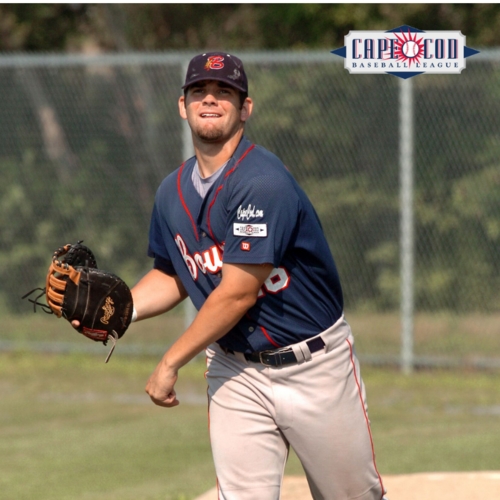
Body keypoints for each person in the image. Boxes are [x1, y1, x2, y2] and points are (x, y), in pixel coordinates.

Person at [133, 52, 387, 500]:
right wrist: (120, 310)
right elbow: (175, 274)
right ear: (182, 105)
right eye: (199, 92)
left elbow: (236, 295)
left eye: (224, 92)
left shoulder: (261, 181)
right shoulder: (171, 192)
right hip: (235, 370)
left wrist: (170, 361)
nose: (210, 100)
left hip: (314, 366)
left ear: (245, 108)